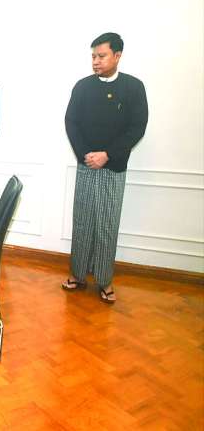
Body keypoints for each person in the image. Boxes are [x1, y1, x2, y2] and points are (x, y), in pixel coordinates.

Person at [62, 32, 148, 304]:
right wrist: (86, 155)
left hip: (114, 166)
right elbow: (71, 121)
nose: (96, 61)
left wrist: (108, 155)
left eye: (101, 56)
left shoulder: (134, 87)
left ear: (117, 56)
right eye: (93, 56)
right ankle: (77, 275)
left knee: (107, 224)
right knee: (83, 221)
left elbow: (137, 127)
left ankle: (104, 280)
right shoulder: (82, 87)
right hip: (87, 164)